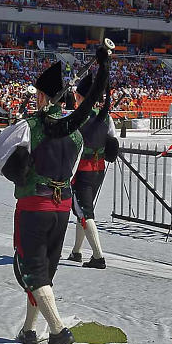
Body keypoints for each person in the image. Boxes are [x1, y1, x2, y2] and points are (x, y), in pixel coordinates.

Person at [0, 45, 111, 344]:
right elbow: (70, 168)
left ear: (43, 97)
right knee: (44, 272)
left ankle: (57, 330)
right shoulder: (77, 135)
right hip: (62, 207)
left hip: (34, 206)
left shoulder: (30, 126)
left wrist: (18, 169)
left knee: (33, 269)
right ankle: (29, 329)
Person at [67, 72, 118, 268]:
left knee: (85, 211)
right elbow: (112, 142)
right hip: (99, 169)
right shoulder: (107, 117)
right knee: (83, 210)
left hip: (81, 170)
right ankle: (77, 251)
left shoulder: (76, 117)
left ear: (80, 97)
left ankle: (98, 256)